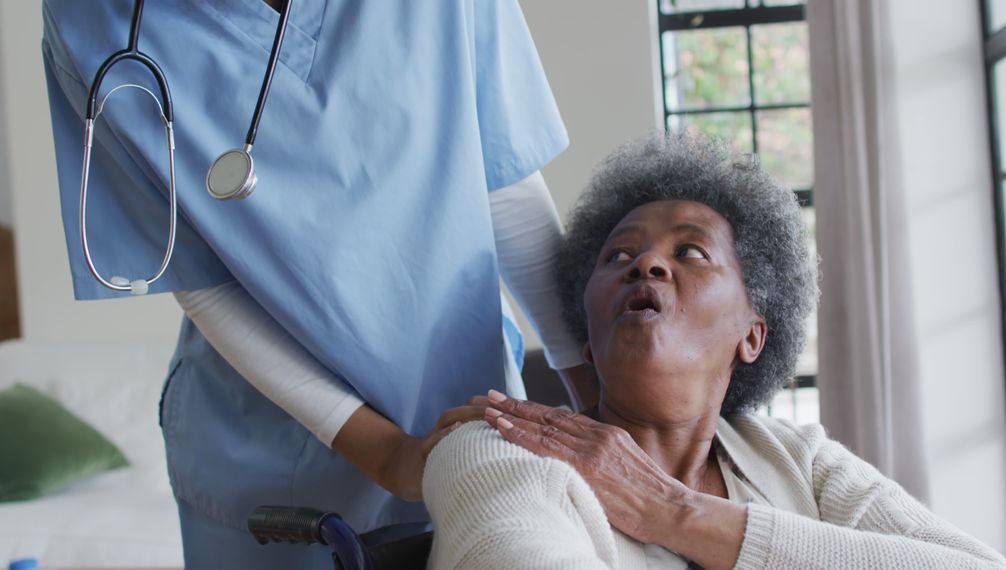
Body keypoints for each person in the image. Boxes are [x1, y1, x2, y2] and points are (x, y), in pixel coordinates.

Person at [41, 0, 595, 567]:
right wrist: (387, 455)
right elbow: (203, 280)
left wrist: (598, 402)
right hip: (267, 454)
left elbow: (505, 184)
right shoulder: (92, 20)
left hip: (471, 417)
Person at [422, 133, 1006, 569]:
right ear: (588, 340)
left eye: (691, 253)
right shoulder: (503, 450)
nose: (647, 264)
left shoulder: (796, 458)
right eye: (619, 257)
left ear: (753, 336)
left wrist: (674, 513)